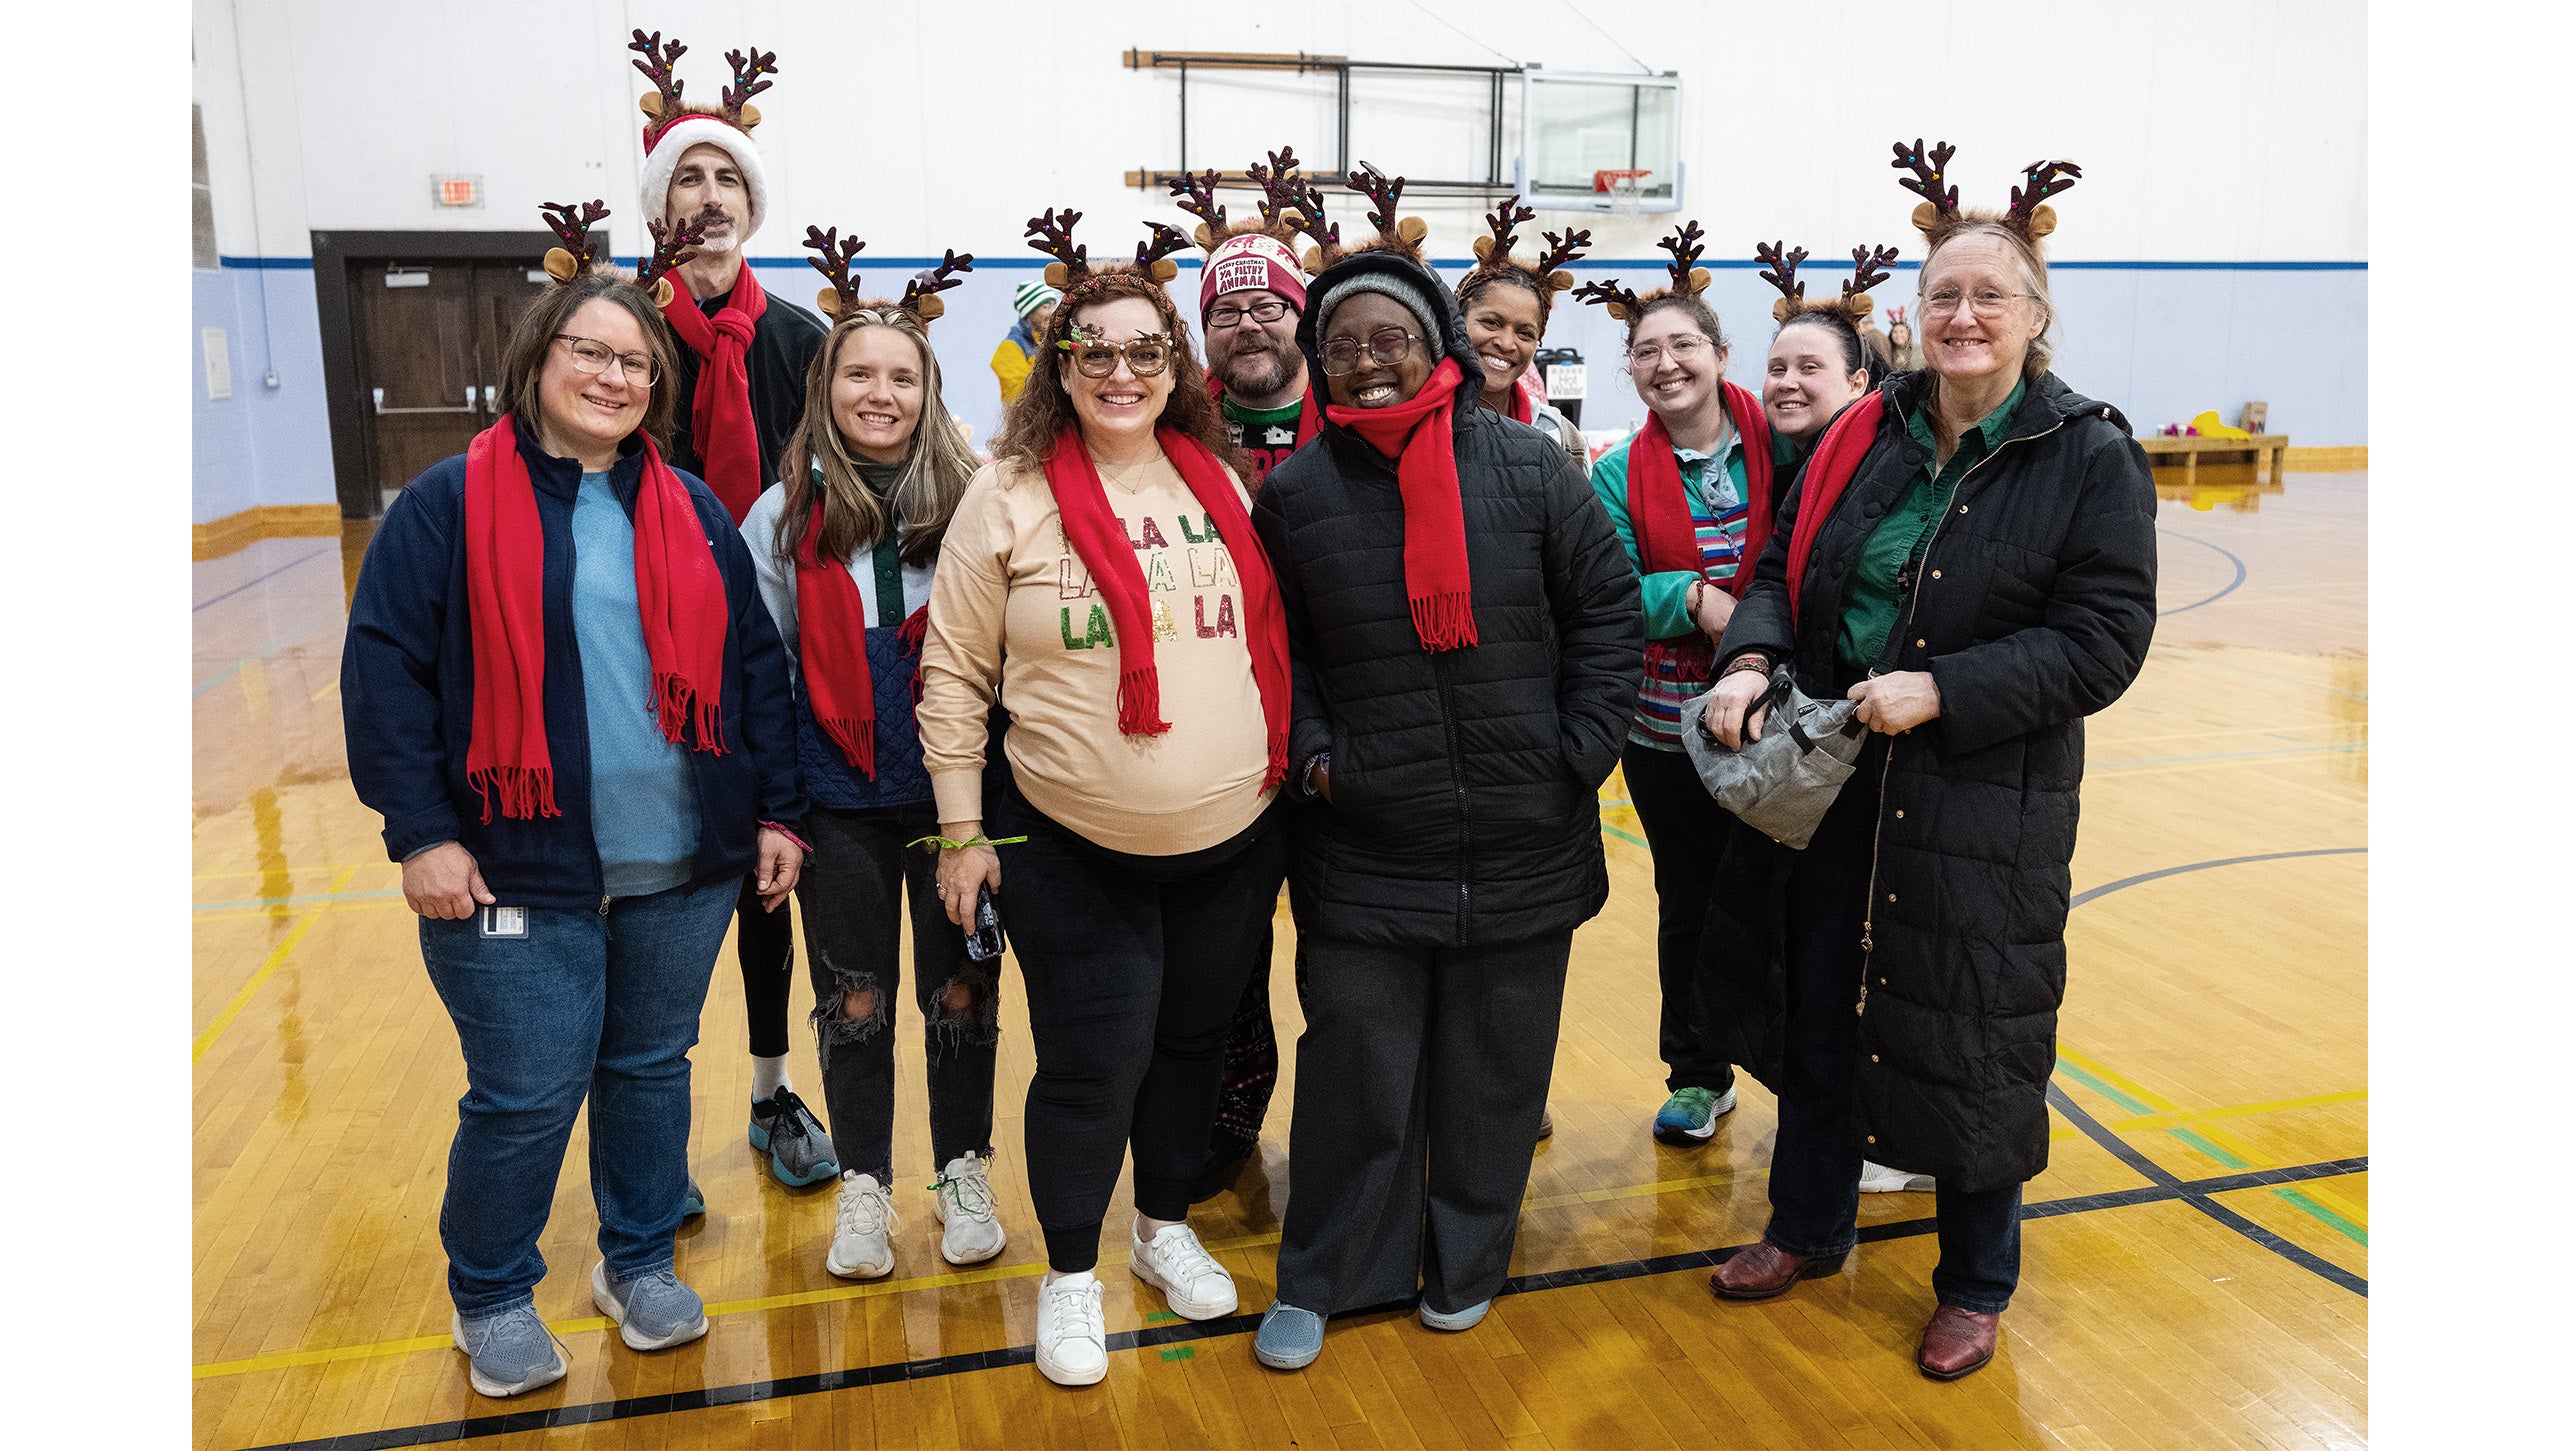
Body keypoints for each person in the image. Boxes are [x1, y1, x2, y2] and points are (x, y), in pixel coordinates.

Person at [1695, 140, 2154, 1380]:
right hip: (1837, 778)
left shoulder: (2087, 453)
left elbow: (2106, 641)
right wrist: (1747, 658)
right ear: (1912, 312)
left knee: (1967, 1024)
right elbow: (1780, 568)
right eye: (1942, 294)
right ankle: (1806, 1222)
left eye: (1988, 296)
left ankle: (1973, 1279)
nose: (1961, 315)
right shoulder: (1868, 434)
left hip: (1980, 795)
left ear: (2034, 316)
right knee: (1819, 1006)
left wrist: (1948, 688)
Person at [340, 204, 805, 1398]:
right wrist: (423, 834)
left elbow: (755, 671)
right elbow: (383, 669)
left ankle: (636, 1261)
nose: (614, 374)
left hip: (676, 862)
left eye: (636, 360)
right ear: (536, 362)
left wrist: (775, 811)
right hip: (507, 866)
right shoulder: (449, 503)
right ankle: (490, 1288)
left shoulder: (690, 508)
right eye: (589, 352)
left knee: (650, 1068)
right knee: (527, 1089)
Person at [1248, 165, 1641, 1371]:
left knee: (1493, 1078)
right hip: (1367, 844)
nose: (1368, 360)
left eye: (1391, 338)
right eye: (1345, 342)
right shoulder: (1299, 494)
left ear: (1438, 350)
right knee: (1355, 1070)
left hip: (1526, 836)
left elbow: (1608, 617)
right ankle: (1327, 1272)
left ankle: (1466, 1259)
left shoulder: (1530, 469)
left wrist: (1576, 753)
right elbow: (1286, 653)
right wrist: (1318, 763)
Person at [917, 205, 1293, 1388]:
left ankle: (1161, 1224)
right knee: (1092, 1059)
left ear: (1174, 364)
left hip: (1232, 835)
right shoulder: (1009, 490)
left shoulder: (1218, 477)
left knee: (1189, 1044)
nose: (1121, 372)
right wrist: (963, 828)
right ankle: (1071, 1275)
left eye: (1144, 351)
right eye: (1096, 353)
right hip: (1070, 839)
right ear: (1060, 367)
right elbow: (953, 669)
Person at [740, 236, 1012, 1280]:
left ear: (929, 389)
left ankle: (961, 1168)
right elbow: (763, 672)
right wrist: (779, 807)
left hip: (958, 800)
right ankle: (864, 1182)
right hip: (838, 799)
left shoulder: (978, 498)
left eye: (903, 376)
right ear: (826, 386)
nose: (880, 392)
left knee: (962, 994)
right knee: (852, 995)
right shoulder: (780, 514)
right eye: (859, 372)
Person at [627, 28, 837, 1188]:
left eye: (727, 181)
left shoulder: (802, 341)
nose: (709, 200)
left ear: (751, 206)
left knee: (770, 872)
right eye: (687, 181)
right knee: (650, 889)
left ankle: (767, 1094)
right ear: (660, 204)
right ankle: (647, 1123)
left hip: (766, 649)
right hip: (639, 650)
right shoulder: (616, 336)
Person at [1571, 228, 1778, 1150]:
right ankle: (1698, 1073)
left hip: (1783, 720)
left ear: (1720, 355)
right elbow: (1609, 587)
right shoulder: (1616, 473)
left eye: (1683, 344)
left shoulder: (1784, 443)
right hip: (1665, 734)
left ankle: (1805, 1075)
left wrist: (1752, 630)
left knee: (1785, 903)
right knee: (1689, 902)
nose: (1666, 363)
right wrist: (1696, 598)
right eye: (1647, 352)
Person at [1754, 239, 1937, 1196]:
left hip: (1915, 743)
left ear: (1863, 379)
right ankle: (1818, 1173)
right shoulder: (1806, 470)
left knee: (1902, 956)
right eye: (1775, 365)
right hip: (1816, 745)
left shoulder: (1891, 457)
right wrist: (1750, 652)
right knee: (1816, 960)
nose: (1786, 380)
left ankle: (1903, 1135)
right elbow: (1778, 581)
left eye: (1808, 366)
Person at [1165, 153, 1324, 1196]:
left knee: (1354, 954)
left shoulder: (1360, 420)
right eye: (1228, 312)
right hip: (1223, 733)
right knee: (1228, 968)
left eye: (1271, 305)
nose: (1251, 324)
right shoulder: (1179, 430)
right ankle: (1229, 1125)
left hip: (1348, 729)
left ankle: (1374, 1113)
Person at [1456, 196, 1593, 484]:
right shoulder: (1416, 421)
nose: (1506, 343)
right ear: (1458, 320)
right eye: (1491, 323)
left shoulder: (1561, 437)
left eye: (1525, 333)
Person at [992, 281, 1061, 406]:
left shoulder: (1054, 341)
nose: (1052, 313)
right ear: (1029, 312)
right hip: (1028, 421)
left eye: (1053, 306)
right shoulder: (1010, 348)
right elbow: (1018, 396)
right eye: (1045, 306)